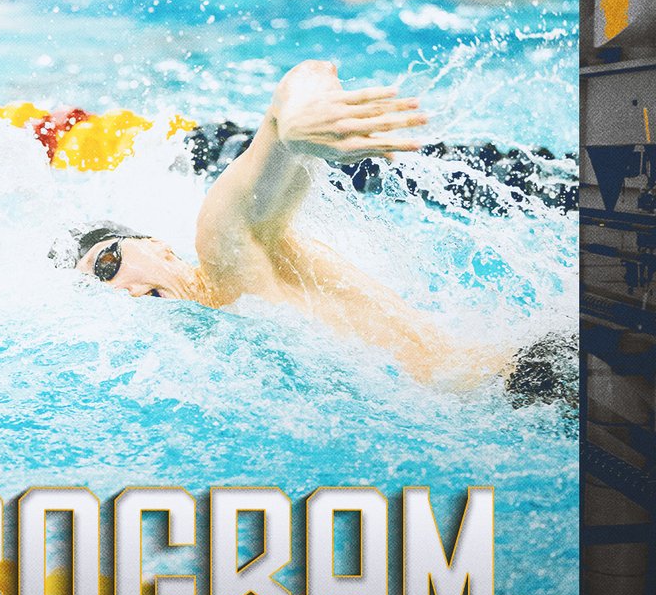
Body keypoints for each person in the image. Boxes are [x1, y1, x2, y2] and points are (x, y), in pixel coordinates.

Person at [66, 60, 512, 389]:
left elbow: (304, 78)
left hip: (517, 384)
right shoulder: (217, 343)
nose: (118, 289)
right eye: (99, 290)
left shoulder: (224, 251)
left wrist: (298, 116)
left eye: (107, 264)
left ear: (156, 245)